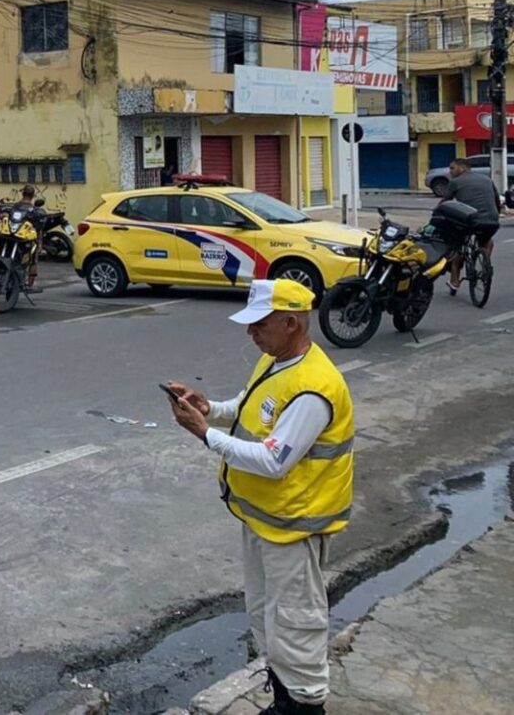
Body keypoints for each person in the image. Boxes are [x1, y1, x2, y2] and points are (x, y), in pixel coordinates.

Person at [165, 279, 354, 714]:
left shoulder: (312, 388)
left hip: (293, 527)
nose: (251, 333)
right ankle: (284, 695)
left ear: (290, 323)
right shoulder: (278, 361)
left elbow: (273, 460)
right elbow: (254, 406)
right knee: (266, 617)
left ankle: (304, 706)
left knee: (295, 625)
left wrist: (205, 433)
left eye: (259, 324)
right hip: (264, 520)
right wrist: (211, 408)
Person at [440, 157, 502, 295]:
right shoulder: (486, 179)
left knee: (458, 247)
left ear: (462, 168)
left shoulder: (455, 182)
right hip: (492, 221)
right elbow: (496, 200)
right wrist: (496, 214)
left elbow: (445, 202)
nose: (450, 171)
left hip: (469, 221)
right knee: (487, 241)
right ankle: (485, 263)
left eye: (452, 168)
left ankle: (454, 281)